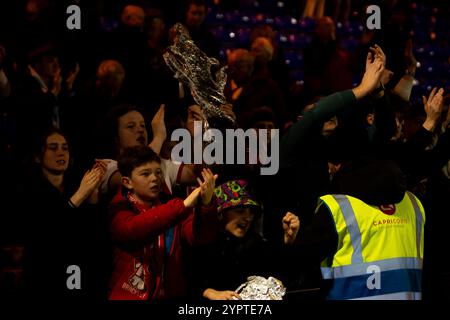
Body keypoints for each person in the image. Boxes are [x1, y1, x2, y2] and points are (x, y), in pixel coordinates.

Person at [108, 146, 218, 300]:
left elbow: (200, 238)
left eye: (158, 172)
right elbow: (135, 228)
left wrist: (206, 206)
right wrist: (184, 205)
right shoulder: (119, 210)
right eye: (145, 174)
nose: (154, 178)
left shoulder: (170, 206)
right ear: (127, 182)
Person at [21, 127, 108, 299]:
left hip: (79, 271)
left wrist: (93, 194)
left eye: (65, 148)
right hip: (46, 274)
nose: (61, 153)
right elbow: (48, 234)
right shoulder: (29, 190)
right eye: (53, 148)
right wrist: (80, 195)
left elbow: (92, 232)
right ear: (38, 157)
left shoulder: (74, 184)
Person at [191, 179, 300, 300]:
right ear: (220, 213)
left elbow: (284, 277)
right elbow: (190, 282)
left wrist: (288, 241)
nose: (248, 218)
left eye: (251, 212)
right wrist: (210, 292)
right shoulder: (203, 244)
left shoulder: (254, 244)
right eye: (240, 211)